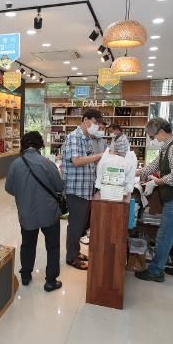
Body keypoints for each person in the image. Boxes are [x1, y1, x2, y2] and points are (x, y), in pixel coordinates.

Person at [134, 117, 173, 282]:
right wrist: (136, 172)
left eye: (152, 136)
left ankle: (155, 271)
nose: (152, 140)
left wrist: (157, 182)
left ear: (161, 132)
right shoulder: (168, 146)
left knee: (165, 236)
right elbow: (155, 165)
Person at [5, 131, 64, 292]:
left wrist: (24, 194)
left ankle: (25, 275)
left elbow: (9, 188)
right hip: (49, 212)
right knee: (52, 246)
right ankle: (50, 281)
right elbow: (59, 187)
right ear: (40, 145)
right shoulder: (47, 163)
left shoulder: (15, 164)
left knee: (27, 244)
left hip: (26, 213)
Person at [61, 108, 105, 270]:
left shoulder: (87, 139)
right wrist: (100, 155)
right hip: (76, 189)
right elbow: (77, 161)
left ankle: (75, 251)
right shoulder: (74, 137)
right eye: (95, 123)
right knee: (75, 224)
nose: (97, 127)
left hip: (86, 189)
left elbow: (89, 161)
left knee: (80, 225)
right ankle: (71, 257)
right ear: (86, 120)